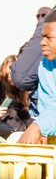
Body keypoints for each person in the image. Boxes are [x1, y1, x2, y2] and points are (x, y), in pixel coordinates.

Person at [16, 13, 56, 144]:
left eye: (48, 37)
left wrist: (40, 126)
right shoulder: (46, 65)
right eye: (42, 37)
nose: (42, 43)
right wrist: (41, 127)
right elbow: (49, 109)